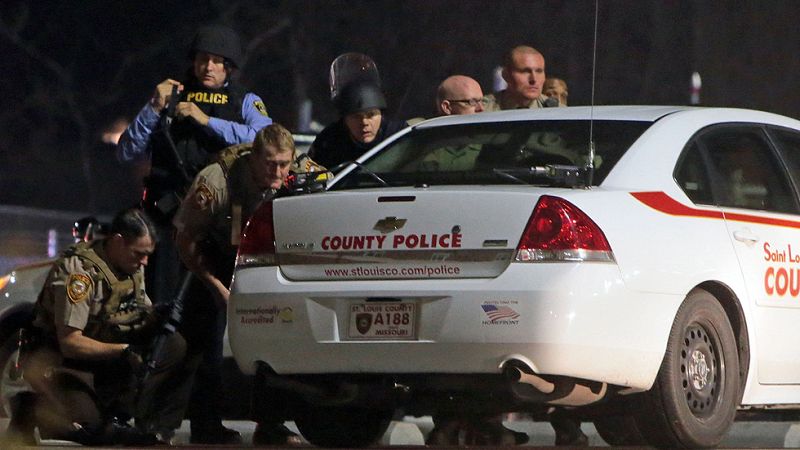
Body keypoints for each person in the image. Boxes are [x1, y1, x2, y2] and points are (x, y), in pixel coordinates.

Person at [116, 24, 272, 312]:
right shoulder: (171, 95)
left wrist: (207, 121)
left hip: (220, 222)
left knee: (213, 306)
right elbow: (127, 150)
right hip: (167, 218)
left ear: (229, 66)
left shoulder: (245, 102)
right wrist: (153, 107)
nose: (208, 67)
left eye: (216, 61)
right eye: (202, 59)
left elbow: (264, 139)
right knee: (161, 300)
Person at [4, 208, 189, 446]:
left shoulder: (131, 265)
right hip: (64, 360)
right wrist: (124, 351)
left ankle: (134, 418)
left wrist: (157, 317)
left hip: (105, 355)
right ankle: (30, 407)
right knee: (89, 429)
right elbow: (70, 342)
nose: (144, 262)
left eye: (147, 255)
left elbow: (136, 311)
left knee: (173, 344)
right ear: (118, 241)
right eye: (139, 254)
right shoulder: (80, 273)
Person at [173, 123, 307, 446]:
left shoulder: (300, 169)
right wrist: (217, 286)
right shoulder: (216, 181)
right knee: (204, 340)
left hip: (263, 259)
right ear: (253, 158)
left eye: (284, 164)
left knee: (275, 338)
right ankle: (204, 425)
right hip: (214, 254)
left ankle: (270, 423)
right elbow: (185, 238)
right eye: (270, 163)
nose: (278, 172)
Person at [308, 80, 405, 171]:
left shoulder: (401, 136)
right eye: (356, 117)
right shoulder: (328, 143)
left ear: (381, 115)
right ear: (344, 120)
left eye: (371, 115)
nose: (364, 122)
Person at [418, 75, 486, 171]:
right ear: (447, 107)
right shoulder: (421, 146)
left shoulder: (488, 146)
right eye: (472, 102)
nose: (481, 109)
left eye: (482, 101)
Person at [484, 45, 558, 111]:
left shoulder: (556, 110)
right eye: (525, 71)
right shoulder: (483, 110)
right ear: (506, 75)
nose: (534, 79)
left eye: (539, 71)